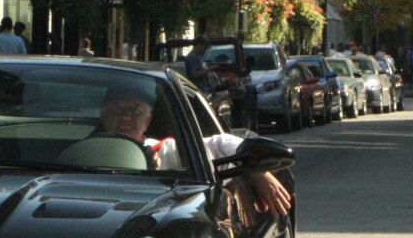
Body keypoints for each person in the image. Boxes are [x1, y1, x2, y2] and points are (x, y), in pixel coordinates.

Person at [98, 84, 290, 222]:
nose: (125, 117)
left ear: (147, 122)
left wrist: (258, 170)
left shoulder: (171, 151)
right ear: (104, 116)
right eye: (117, 110)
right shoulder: (75, 153)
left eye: (135, 111)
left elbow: (220, 143)